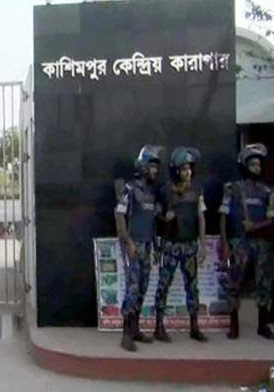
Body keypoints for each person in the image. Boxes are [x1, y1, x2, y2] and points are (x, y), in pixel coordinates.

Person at [153, 147, 207, 343]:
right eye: (184, 168)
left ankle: (194, 326)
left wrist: (203, 244)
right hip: (170, 245)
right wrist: (164, 218)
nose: (188, 172)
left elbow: (201, 217)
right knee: (163, 285)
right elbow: (155, 215)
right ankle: (158, 326)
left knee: (192, 287)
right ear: (176, 170)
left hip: (190, 244)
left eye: (189, 168)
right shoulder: (165, 190)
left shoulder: (197, 189)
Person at [219, 144, 273, 340]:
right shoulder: (232, 189)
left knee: (264, 283)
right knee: (234, 282)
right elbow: (223, 216)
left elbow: (271, 219)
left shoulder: (267, 191)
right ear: (244, 166)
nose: (257, 168)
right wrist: (225, 242)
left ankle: (262, 324)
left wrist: (255, 226)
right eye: (253, 164)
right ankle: (234, 324)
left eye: (259, 164)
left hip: (262, 243)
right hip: (238, 242)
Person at [114, 145, 164, 352]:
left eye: (156, 167)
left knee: (143, 288)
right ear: (143, 167)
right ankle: (126, 335)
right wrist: (128, 243)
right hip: (133, 245)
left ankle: (135, 329)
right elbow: (119, 216)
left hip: (147, 245)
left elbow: (153, 222)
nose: (155, 171)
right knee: (133, 288)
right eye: (152, 166)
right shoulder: (129, 189)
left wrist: (156, 247)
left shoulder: (152, 193)